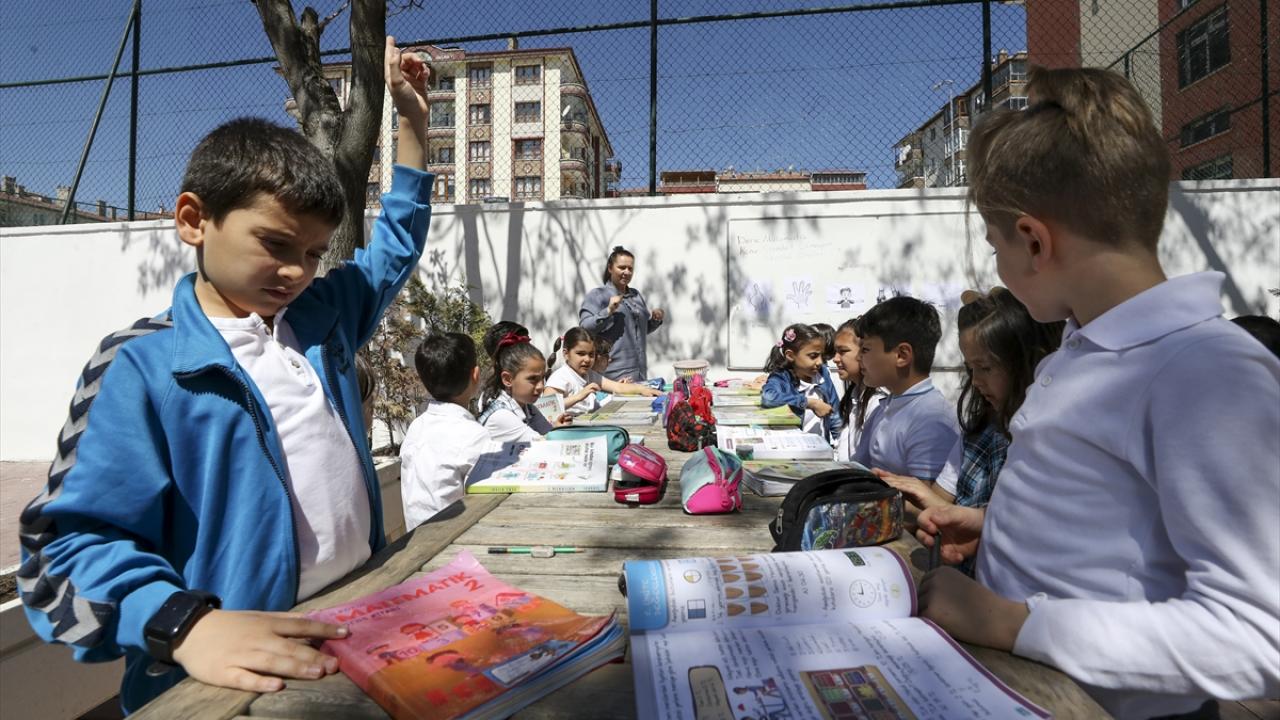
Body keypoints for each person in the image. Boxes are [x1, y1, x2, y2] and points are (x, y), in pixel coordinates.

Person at [17, 37, 437, 711]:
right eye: (275, 243)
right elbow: (63, 557)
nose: (298, 271)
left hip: (358, 636)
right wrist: (186, 626)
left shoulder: (321, 319)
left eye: (312, 252)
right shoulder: (142, 365)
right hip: (223, 688)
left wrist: (411, 124)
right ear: (194, 221)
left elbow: (393, 249)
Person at [916, 67, 1280, 719]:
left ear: (1034, 241)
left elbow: (1260, 635)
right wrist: (996, 525)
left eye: (996, 246)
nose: (997, 267)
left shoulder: (1203, 373)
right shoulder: (1086, 347)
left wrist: (1011, 623)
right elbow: (1114, 515)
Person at [876, 288, 1062, 514]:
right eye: (970, 368)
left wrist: (930, 504)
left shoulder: (1052, 439)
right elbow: (942, 503)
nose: (975, 381)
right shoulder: (978, 432)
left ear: (1027, 361)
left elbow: (1016, 520)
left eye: (985, 367)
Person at [851, 296, 959, 481]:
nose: (858, 357)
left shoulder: (931, 420)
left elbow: (925, 496)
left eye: (866, 349)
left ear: (902, 355)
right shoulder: (886, 407)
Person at [399, 333, 490, 530]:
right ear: (475, 375)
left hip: (414, 535)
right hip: (452, 538)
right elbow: (487, 499)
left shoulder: (417, 426)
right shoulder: (474, 435)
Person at [579, 246, 664, 381]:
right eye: (622, 267)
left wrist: (655, 320)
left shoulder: (636, 295)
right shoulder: (598, 295)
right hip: (613, 376)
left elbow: (640, 330)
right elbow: (584, 328)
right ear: (610, 268)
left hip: (640, 373)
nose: (627, 272)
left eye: (630, 268)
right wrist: (608, 311)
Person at [546, 327, 661, 416]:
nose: (587, 359)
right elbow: (547, 409)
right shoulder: (560, 378)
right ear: (566, 353)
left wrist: (642, 389)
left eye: (591, 354)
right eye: (581, 354)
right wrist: (579, 396)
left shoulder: (589, 375)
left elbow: (617, 387)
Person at [478, 333, 570, 443]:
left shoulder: (528, 406)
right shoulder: (501, 416)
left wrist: (557, 428)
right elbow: (543, 444)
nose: (541, 386)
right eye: (532, 379)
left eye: (542, 378)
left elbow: (546, 432)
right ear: (508, 379)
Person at [760, 323, 842, 442]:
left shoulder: (822, 374)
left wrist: (841, 443)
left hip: (821, 448)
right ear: (790, 355)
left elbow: (835, 415)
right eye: (813, 356)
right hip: (794, 447)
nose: (820, 362)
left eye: (821, 355)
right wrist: (810, 403)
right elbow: (768, 398)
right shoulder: (781, 377)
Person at [831, 317, 881, 463]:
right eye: (835, 351)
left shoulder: (878, 400)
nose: (835, 359)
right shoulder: (854, 393)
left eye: (843, 351)